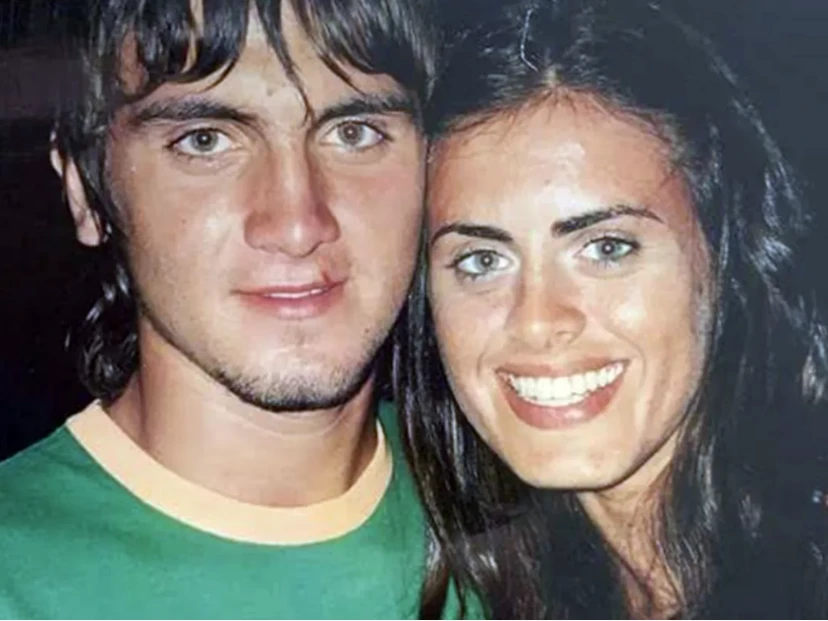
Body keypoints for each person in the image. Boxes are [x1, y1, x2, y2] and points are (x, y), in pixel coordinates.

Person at [0, 0, 471, 618]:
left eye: (355, 133)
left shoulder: (532, 519)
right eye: (205, 141)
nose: (297, 224)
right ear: (85, 191)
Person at [396, 0, 828, 617]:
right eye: (482, 260)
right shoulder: (497, 593)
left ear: (726, 256)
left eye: (606, 248)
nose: (537, 321)